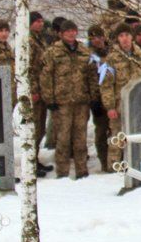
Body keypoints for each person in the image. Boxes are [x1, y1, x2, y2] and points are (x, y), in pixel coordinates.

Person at [40, 20, 98, 178]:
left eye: (73, 30)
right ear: (61, 34)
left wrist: (93, 97)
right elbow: (46, 77)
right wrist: (49, 99)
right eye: (67, 31)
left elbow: (92, 76)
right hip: (62, 102)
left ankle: (82, 171)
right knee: (63, 138)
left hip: (81, 101)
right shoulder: (52, 52)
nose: (71, 34)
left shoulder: (85, 51)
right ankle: (62, 172)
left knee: (80, 138)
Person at [99, 23, 141, 167]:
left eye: (127, 35)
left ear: (132, 37)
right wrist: (110, 107)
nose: (125, 39)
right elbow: (106, 85)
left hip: (139, 105)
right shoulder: (111, 59)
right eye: (121, 36)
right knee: (117, 136)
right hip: (119, 105)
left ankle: (137, 165)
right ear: (118, 39)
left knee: (138, 135)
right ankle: (113, 166)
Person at [27, 11, 53, 176]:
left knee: (40, 128)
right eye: (37, 21)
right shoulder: (28, 41)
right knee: (34, 128)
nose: (40, 24)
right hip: (35, 90)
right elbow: (28, 68)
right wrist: (33, 89)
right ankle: (30, 163)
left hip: (43, 88)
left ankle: (34, 160)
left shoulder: (39, 39)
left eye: (42, 21)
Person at [87, 25, 111, 172]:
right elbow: (89, 79)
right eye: (93, 38)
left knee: (115, 131)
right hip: (98, 99)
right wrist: (94, 99)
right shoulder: (88, 56)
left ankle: (116, 160)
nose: (97, 40)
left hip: (113, 97)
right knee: (101, 132)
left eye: (99, 37)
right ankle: (104, 162)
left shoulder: (113, 52)